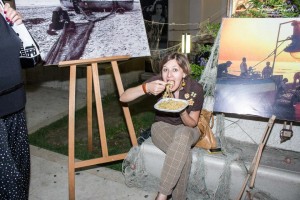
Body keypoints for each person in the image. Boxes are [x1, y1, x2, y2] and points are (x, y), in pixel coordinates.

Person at [120, 53, 203, 200]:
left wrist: (182, 110)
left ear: (184, 72)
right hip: (162, 126)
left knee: (183, 134)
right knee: (183, 155)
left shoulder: (195, 88)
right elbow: (123, 97)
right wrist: (146, 87)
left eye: (175, 70)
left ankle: (162, 195)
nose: (169, 75)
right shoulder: (157, 82)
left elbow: (193, 123)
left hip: (189, 129)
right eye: (165, 70)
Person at [0, 2, 31, 199]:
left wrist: (16, 25)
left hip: (15, 103)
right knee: (9, 184)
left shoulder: (1, 5)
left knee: (21, 176)